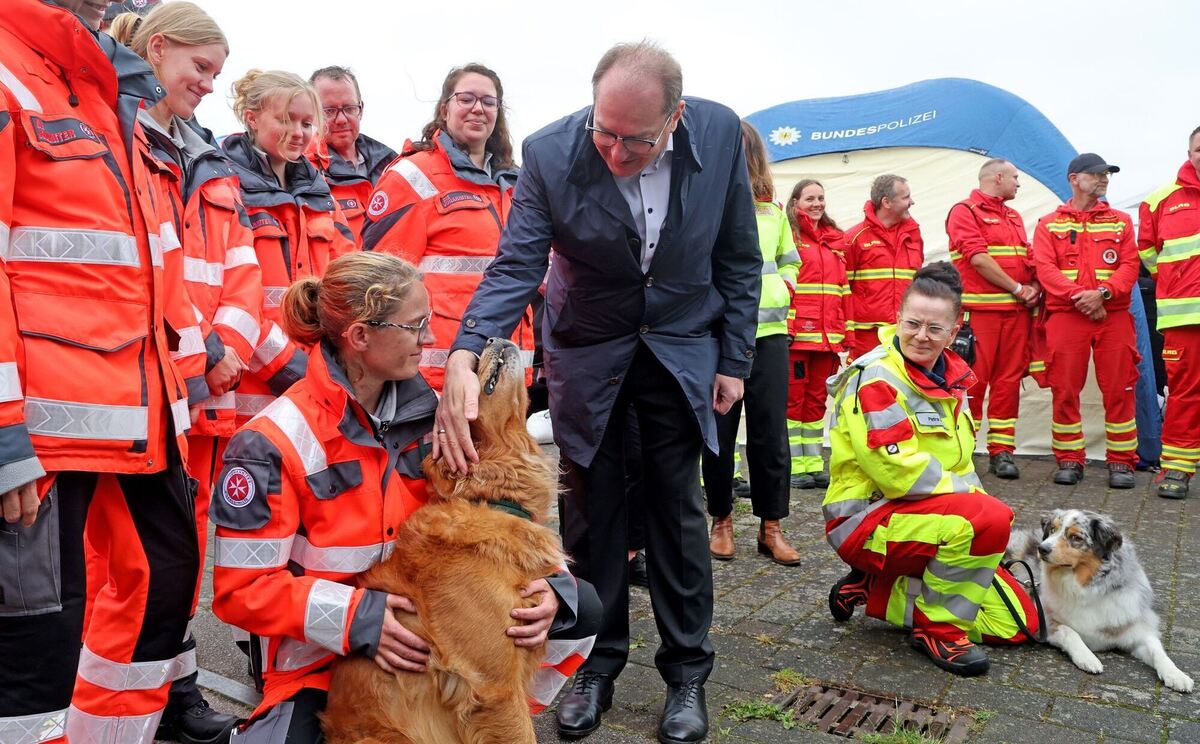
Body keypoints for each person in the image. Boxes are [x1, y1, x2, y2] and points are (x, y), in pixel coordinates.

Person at [434, 41, 760, 743]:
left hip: (680, 350)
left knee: (677, 513)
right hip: (589, 352)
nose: (615, 152)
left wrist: (733, 359)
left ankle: (686, 675)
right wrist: (466, 350)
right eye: (604, 133)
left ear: (674, 117)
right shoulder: (553, 154)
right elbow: (516, 263)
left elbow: (738, 256)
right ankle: (593, 665)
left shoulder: (721, 135)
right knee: (592, 516)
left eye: (635, 142)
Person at [210, 252, 598, 741]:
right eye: (416, 326)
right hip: (319, 656)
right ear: (360, 336)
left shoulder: (434, 415)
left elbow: (496, 515)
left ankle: (466, 713)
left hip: (428, 639)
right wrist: (359, 618)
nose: (432, 340)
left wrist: (553, 589)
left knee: (582, 606)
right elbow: (241, 592)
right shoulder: (269, 442)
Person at [0, 1, 200, 740]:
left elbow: (147, 265)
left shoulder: (108, 88)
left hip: (142, 419)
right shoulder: (12, 72)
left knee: (159, 593)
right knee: (32, 660)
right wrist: (3, 436)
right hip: (44, 435)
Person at [124, 5, 260, 739]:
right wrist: (201, 351)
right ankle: (141, 704)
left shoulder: (206, 155)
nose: (208, 84)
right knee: (138, 564)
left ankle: (177, 695)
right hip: (154, 382)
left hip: (208, 389)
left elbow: (242, 266)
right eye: (199, 68)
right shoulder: (125, 139)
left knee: (186, 555)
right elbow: (152, 264)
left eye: (216, 72)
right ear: (158, 48)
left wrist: (226, 353)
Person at [823, 262, 1041, 677]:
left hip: (919, 517)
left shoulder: (952, 381)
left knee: (1018, 625)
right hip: (864, 520)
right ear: (898, 319)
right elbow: (897, 473)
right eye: (913, 323)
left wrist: (979, 520)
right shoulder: (876, 379)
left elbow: (959, 464)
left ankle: (876, 590)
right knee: (989, 520)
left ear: (954, 331)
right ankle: (936, 630)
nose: (921, 336)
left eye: (935, 328)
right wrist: (979, 515)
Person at [363, 63, 534, 392]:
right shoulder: (413, 176)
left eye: (488, 101)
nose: (477, 108)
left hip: (506, 377)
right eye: (466, 98)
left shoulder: (515, 184)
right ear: (445, 108)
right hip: (435, 380)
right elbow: (381, 284)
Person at [222, 70, 357, 425]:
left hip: (315, 379)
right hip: (248, 382)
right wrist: (287, 365)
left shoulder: (321, 196)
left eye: (307, 123)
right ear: (251, 117)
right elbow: (231, 293)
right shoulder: (226, 185)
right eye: (285, 120)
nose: (298, 133)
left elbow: (351, 277)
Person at [704, 121, 800, 566]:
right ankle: (720, 521)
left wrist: (785, 285)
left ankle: (771, 527)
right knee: (719, 435)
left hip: (770, 337)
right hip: (720, 337)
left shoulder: (773, 212)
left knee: (770, 435)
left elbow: (790, 260)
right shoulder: (707, 207)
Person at [1032, 153, 1140, 488]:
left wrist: (1103, 294)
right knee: (1064, 388)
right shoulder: (1048, 224)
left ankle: (1122, 462)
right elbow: (1045, 269)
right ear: (1074, 179)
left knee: (1120, 387)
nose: (1103, 178)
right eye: (1096, 174)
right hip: (1067, 317)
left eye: (1107, 174)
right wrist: (1083, 298)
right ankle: (1068, 458)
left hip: (1113, 314)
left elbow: (1130, 265)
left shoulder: (1121, 221)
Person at [946, 159, 1039, 480]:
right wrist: (1018, 288)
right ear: (997, 177)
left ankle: (1002, 453)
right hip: (979, 316)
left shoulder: (1012, 215)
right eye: (1015, 177)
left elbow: (1024, 258)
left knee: (1008, 384)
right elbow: (979, 259)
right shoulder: (964, 211)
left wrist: (1035, 285)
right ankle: (963, 452)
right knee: (973, 385)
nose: (1018, 183)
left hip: (1015, 316)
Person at [1140, 126, 1200, 499]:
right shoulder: (1159, 200)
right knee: (1184, 393)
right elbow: (1147, 253)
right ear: (1190, 151)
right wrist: (1176, 282)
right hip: (1184, 316)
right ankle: (1177, 469)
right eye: (1199, 149)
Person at [785, 178, 848, 489]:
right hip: (798, 337)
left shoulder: (835, 241)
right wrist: (787, 328)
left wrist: (844, 332)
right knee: (792, 402)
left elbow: (843, 291)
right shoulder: (791, 237)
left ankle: (812, 462)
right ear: (795, 203)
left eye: (821, 197)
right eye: (810, 198)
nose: (817, 204)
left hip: (827, 338)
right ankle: (792, 465)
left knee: (816, 401)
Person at [307, 66, 398, 244]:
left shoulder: (392, 166)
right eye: (329, 111)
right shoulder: (303, 171)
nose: (341, 119)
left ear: (361, 109)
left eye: (349, 108)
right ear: (312, 114)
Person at [843, 174, 924, 361]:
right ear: (886, 202)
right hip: (867, 336)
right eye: (905, 197)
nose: (912, 202)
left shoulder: (914, 236)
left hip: (906, 331)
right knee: (867, 386)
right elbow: (843, 290)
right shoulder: (853, 238)